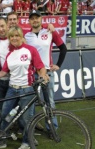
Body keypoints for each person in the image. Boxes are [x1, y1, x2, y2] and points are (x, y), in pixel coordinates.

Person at [0, 26, 49, 149]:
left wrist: (43, 75)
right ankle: (2, 141)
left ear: (22, 36)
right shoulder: (10, 54)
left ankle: (26, 142)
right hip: (12, 89)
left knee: (26, 118)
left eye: (17, 35)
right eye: (11, 36)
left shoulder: (30, 50)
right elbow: (4, 71)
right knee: (5, 115)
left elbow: (40, 66)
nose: (14, 38)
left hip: (27, 89)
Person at [24, 10, 67, 138]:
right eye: (32, 18)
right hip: (32, 74)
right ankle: (31, 129)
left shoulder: (49, 31)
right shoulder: (26, 35)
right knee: (30, 103)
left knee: (50, 102)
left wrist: (58, 65)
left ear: (41, 19)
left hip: (47, 73)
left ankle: (52, 128)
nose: (35, 20)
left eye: (37, 18)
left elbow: (63, 48)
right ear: (29, 21)